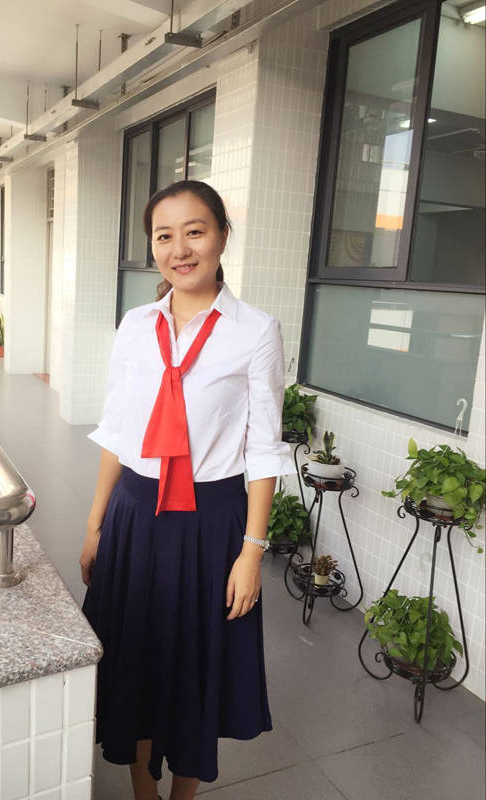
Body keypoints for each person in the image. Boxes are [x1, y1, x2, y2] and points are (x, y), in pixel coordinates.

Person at [80, 179, 295, 800]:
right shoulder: (135, 325)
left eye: (195, 231)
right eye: (164, 236)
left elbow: (263, 449)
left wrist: (252, 551)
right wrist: (96, 525)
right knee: (136, 659)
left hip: (211, 523)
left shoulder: (255, 331)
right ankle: (143, 793)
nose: (180, 249)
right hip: (135, 515)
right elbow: (118, 432)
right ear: (152, 246)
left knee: (194, 667)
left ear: (223, 235)